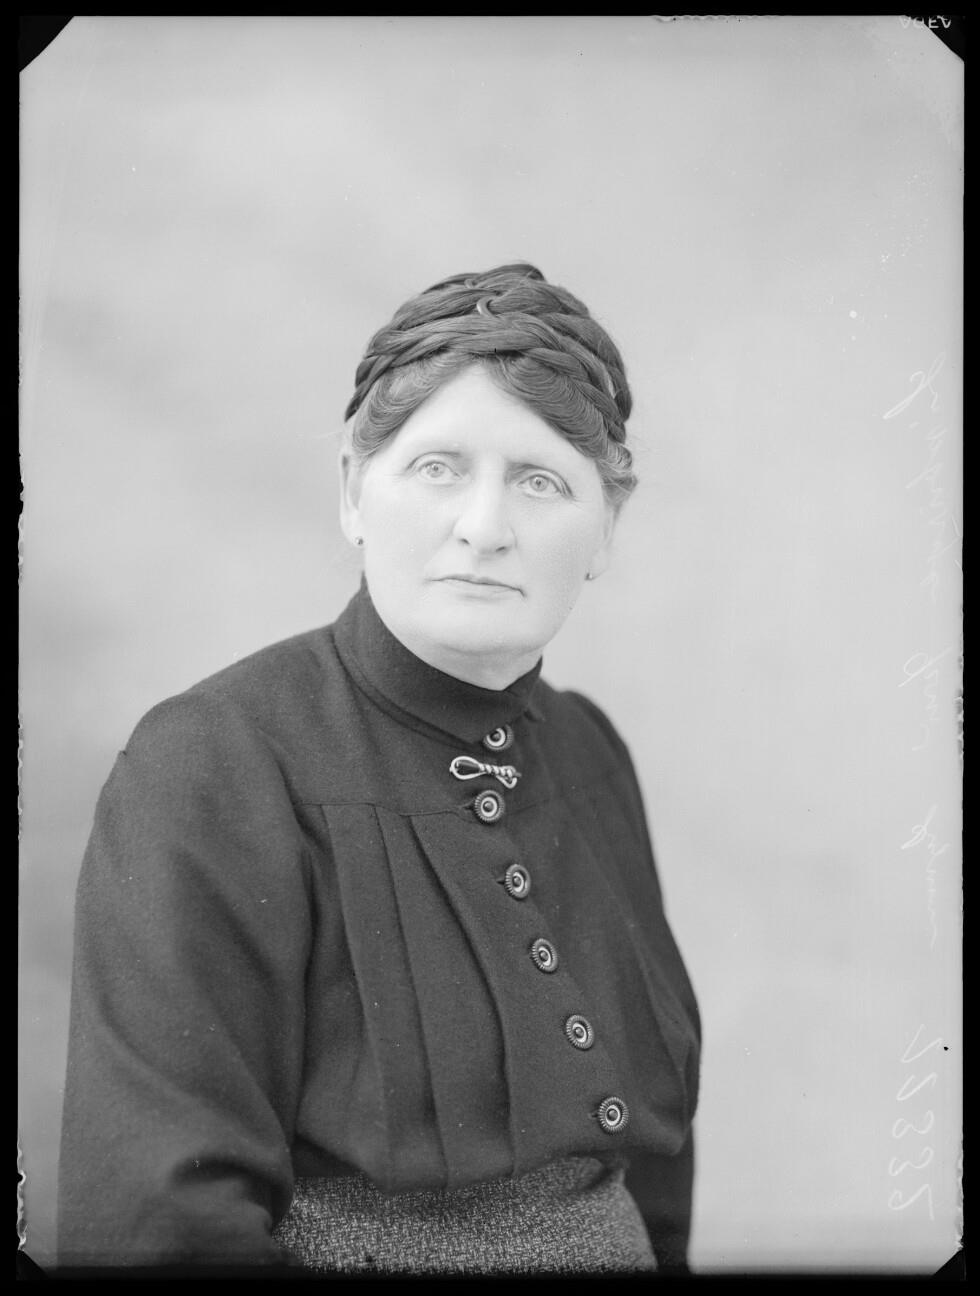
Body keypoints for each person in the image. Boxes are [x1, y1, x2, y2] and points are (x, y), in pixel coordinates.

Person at [57, 262, 701, 1276]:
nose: (484, 527)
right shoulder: (211, 765)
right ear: (354, 492)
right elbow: (162, 1222)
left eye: (540, 482)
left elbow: (655, 1177)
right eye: (439, 468)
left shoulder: (590, 752)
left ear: (605, 531)